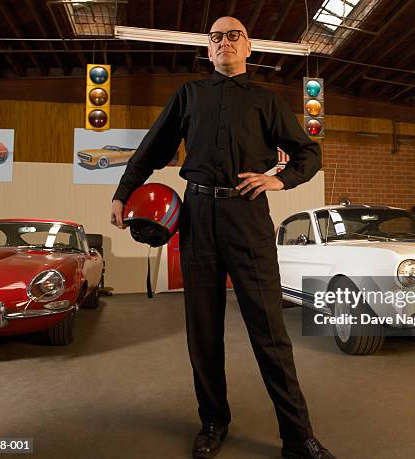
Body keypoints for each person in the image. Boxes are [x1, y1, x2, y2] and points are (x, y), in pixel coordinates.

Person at [111, 16, 335, 459]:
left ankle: (298, 435)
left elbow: (309, 150)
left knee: (269, 330)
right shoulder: (189, 96)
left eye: (234, 36)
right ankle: (213, 420)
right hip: (197, 216)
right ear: (208, 50)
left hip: (247, 215)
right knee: (203, 329)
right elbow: (152, 149)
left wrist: (281, 180)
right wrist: (123, 193)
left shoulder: (266, 102)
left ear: (248, 47)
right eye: (216, 37)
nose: (225, 43)